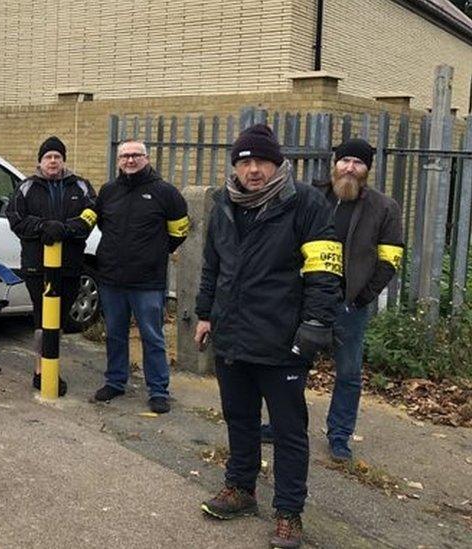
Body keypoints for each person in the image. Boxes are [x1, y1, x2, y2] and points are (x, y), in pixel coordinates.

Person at [194, 124, 342, 548]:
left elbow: (324, 271)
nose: (253, 170)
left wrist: (315, 325)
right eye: (245, 161)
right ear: (235, 166)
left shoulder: (306, 204)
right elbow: (211, 266)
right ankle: (241, 489)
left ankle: (289, 512)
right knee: (239, 419)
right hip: (233, 335)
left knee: (289, 432)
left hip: (283, 339)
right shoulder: (225, 202)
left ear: (277, 164)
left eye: (261, 161)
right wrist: (205, 314)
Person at [261, 139, 403, 462]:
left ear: (368, 169)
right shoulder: (310, 197)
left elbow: (390, 260)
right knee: (291, 365)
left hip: (349, 307)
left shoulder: (384, 208)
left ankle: (339, 435)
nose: (350, 168)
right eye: (345, 161)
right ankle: (283, 425)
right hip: (304, 300)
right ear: (334, 163)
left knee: (349, 372)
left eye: (358, 163)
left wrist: (360, 298)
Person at [91, 139, 188, 413]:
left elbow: (179, 231)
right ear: (118, 160)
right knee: (115, 334)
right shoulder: (108, 191)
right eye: (125, 156)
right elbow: (101, 223)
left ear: (146, 158)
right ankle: (115, 381)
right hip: (111, 279)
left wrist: (155, 253)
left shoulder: (165, 193)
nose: (130, 160)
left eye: (136, 155)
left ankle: (158, 390)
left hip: (148, 281)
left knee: (152, 337)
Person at [7, 136, 97, 396]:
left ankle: (51, 365)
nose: (53, 161)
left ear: (64, 160)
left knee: (58, 319)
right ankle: (41, 370)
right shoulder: (26, 187)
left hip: (69, 265)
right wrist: (42, 228)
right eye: (48, 157)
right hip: (37, 266)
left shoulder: (80, 186)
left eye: (57, 156)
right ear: (40, 161)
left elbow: (91, 215)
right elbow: (15, 219)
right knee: (41, 317)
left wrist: (65, 230)